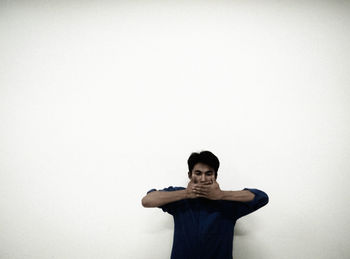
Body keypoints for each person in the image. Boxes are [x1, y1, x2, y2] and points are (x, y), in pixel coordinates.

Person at [141, 150, 269, 259]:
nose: (203, 179)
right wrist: (186, 194)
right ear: (189, 175)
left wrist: (222, 195)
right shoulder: (179, 197)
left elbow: (262, 197)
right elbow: (147, 200)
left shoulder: (228, 202)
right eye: (198, 173)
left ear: (215, 176)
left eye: (209, 174)